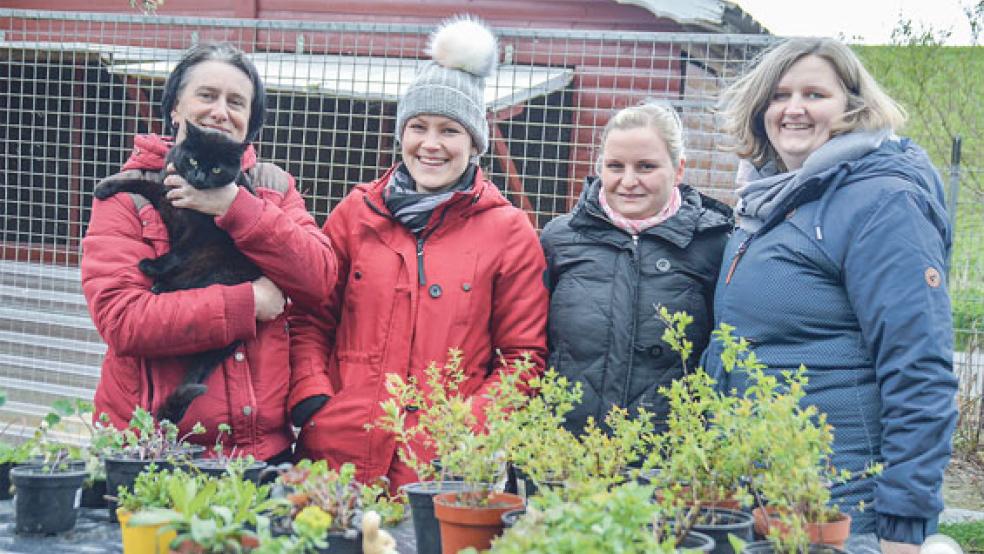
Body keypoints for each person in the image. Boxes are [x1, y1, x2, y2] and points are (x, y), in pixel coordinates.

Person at [706, 37, 957, 553]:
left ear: (852, 106)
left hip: (841, 510)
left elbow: (920, 370)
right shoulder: (771, 201)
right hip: (765, 499)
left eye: (815, 94)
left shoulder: (883, 202)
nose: (793, 108)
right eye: (779, 95)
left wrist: (903, 527)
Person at [289, 16, 548, 491]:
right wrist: (315, 400)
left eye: (449, 130)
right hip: (337, 449)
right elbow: (310, 320)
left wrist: (468, 429)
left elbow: (522, 358)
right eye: (418, 127)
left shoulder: (509, 231)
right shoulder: (355, 213)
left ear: (474, 143)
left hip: (441, 466)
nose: (431, 145)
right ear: (401, 134)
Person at [82, 42, 338, 463]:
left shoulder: (274, 187)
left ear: (249, 124)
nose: (221, 110)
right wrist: (246, 302)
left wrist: (238, 209)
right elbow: (122, 321)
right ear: (175, 108)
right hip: (153, 452)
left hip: (260, 454)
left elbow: (321, 280)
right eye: (206, 95)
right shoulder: (129, 195)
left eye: (236, 102)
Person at [539, 102, 732, 435]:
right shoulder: (560, 239)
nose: (628, 181)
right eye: (615, 166)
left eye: (645, 167)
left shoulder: (713, 246)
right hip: (567, 452)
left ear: (679, 169)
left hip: (669, 457)